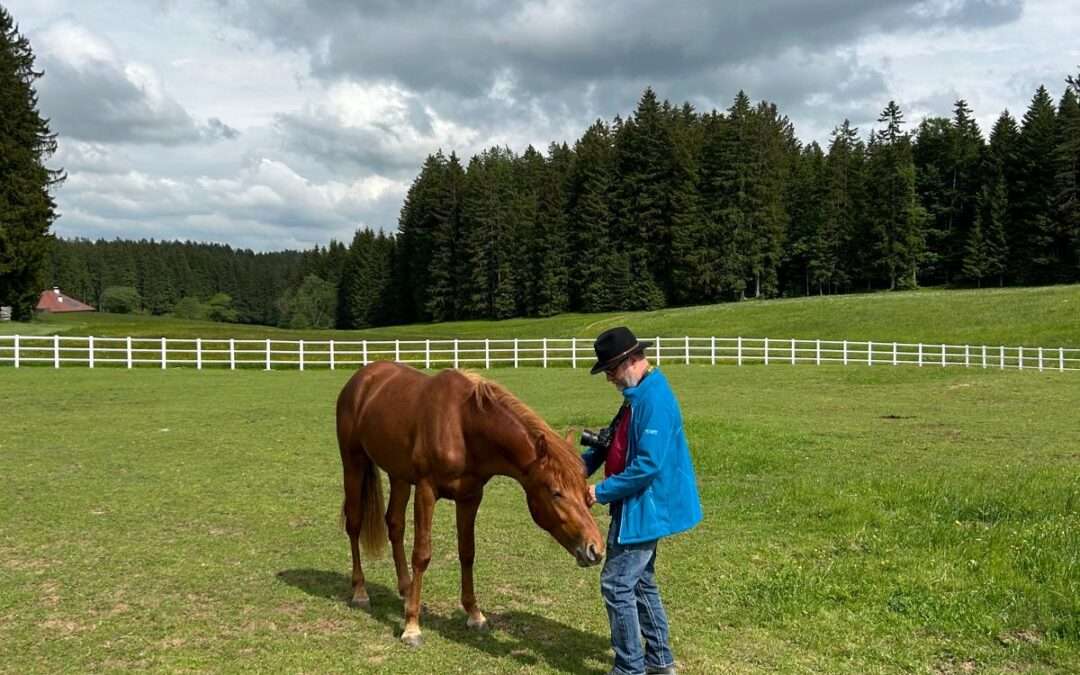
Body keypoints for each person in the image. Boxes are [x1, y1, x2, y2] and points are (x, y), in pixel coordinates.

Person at [581, 326, 703, 675]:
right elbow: (610, 442)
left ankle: (630, 667)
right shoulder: (637, 397)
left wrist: (598, 492)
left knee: (616, 584)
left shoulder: (655, 401)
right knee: (640, 582)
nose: (609, 379)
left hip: (645, 507)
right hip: (637, 505)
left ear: (632, 360)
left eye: (611, 371)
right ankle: (660, 661)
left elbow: (648, 465)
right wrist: (578, 466)